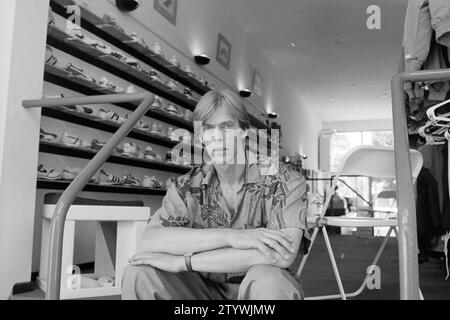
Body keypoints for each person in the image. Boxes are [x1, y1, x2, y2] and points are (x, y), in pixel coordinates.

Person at [121, 90, 310, 300]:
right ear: (201, 136)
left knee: (268, 280)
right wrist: (234, 237)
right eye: (209, 129)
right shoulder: (186, 185)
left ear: (243, 131)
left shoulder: (285, 180)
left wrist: (184, 261)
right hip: (201, 287)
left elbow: (280, 255)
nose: (218, 137)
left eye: (227, 127)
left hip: (258, 288)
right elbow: (151, 240)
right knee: (139, 274)